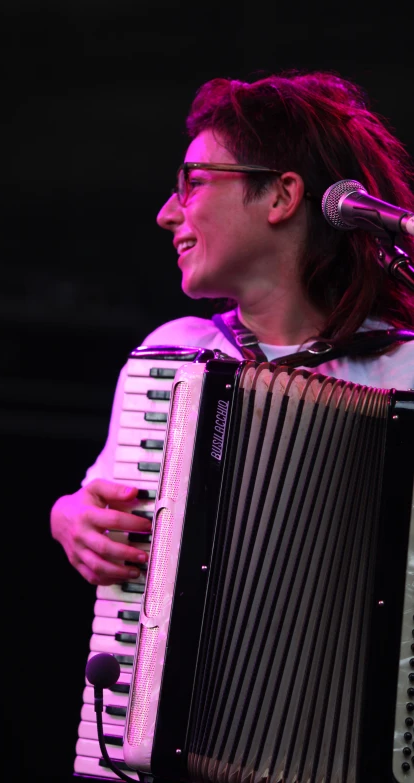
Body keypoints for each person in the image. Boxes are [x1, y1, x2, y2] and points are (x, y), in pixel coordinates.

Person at [51, 69, 414, 586]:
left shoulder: (403, 372)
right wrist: (68, 516)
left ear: (281, 197)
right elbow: (97, 503)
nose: (165, 214)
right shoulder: (174, 356)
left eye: (194, 183)